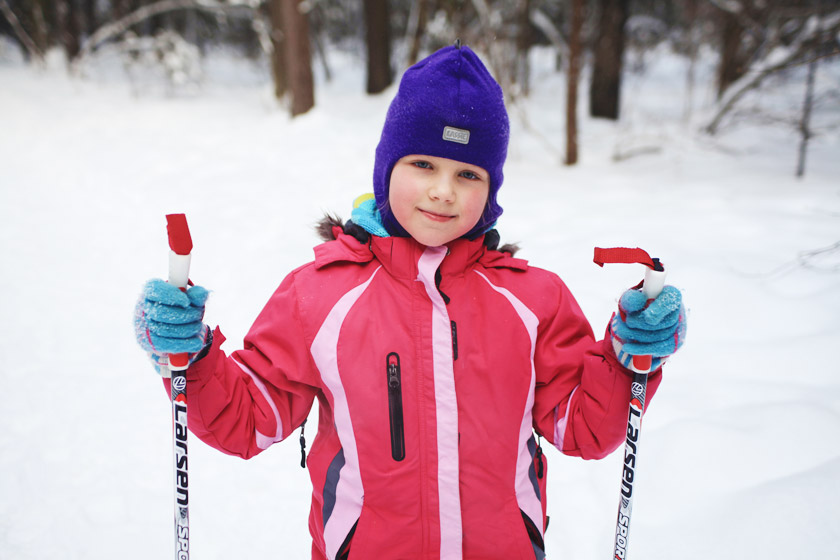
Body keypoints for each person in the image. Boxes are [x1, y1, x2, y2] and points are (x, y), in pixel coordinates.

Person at [134, 43, 685, 560]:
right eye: (423, 165)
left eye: (468, 174)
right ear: (386, 169)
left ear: (490, 192)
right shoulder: (321, 295)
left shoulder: (532, 300)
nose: (443, 191)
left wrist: (626, 357)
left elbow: (582, 429)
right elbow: (248, 419)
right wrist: (191, 357)